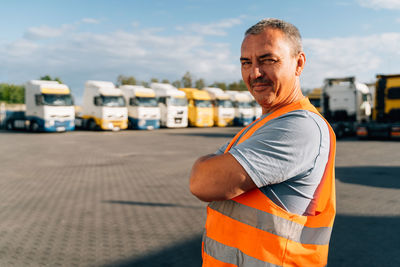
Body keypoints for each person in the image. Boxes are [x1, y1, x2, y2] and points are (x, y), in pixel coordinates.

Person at [189, 18, 336, 267]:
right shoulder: (264, 124)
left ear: (299, 63)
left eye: (268, 60)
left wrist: (211, 162)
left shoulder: (299, 126)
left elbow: (202, 181)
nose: (255, 73)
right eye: (246, 63)